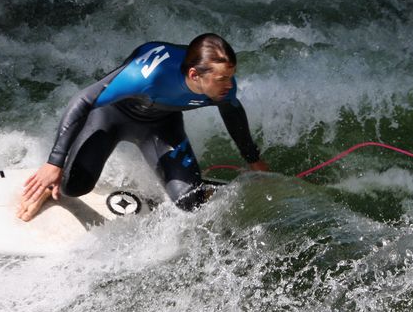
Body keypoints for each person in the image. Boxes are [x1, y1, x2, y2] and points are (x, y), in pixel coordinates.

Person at [17, 33, 269, 220]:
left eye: (231, 75)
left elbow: (233, 115)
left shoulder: (222, 88)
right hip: (111, 117)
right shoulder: (147, 75)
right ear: (194, 75)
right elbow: (83, 100)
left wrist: (254, 161)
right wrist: (54, 162)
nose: (229, 85)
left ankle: (212, 188)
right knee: (74, 187)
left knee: (190, 201)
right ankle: (49, 181)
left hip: (161, 126)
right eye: (222, 78)